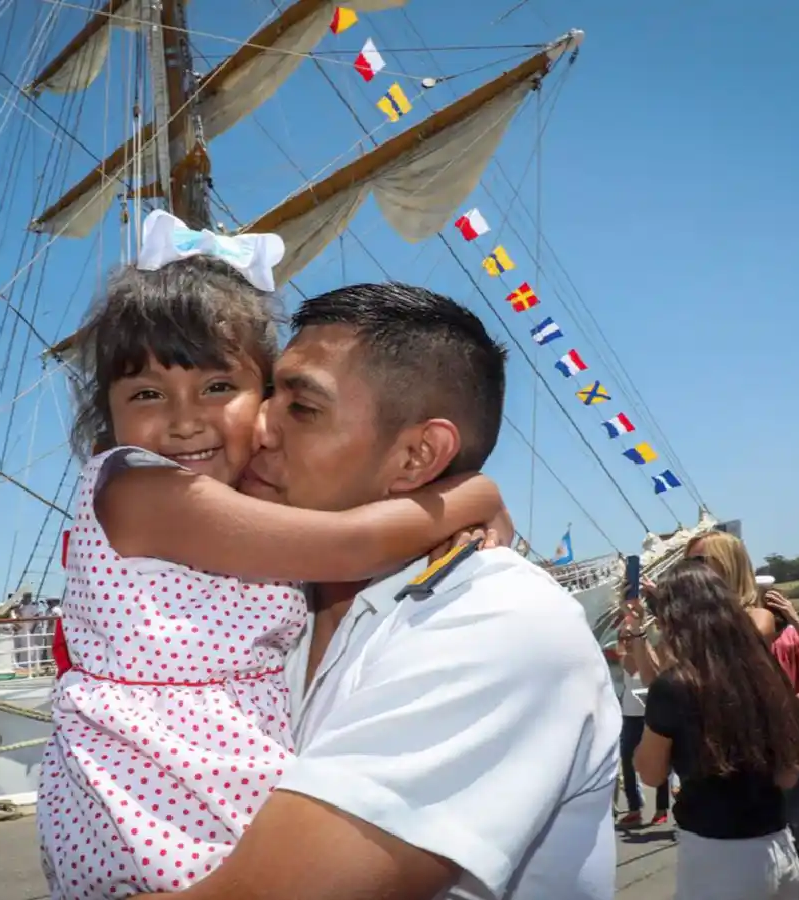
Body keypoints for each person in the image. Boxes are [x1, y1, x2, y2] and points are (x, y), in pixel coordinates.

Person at [38, 216, 514, 900]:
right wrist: (469, 493)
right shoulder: (140, 488)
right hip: (148, 781)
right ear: (106, 414)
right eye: (146, 394)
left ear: (264, 401)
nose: (182, 419)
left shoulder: (248, 510)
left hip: (219, 766)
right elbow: (352, 542)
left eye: (217, 388)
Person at [128, 281, 623, 900]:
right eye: (269, 393)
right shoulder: (258, 604)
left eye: (301, 408)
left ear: (416, 457)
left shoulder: (498, 621)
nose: (256, 426)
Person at [685, 530, 799, 900]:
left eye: (704, 562)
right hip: (783, 761)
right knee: (792, 859)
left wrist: (796, 621)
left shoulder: (773, 627)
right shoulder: (717, 637)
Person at [634, 560, 799, 899]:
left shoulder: (675, 685)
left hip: (717, 856)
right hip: (779, 846)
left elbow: (651, 774)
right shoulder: (763, 669)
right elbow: (789, 772)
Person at [615, 631, 670, 827]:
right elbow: (629, 666)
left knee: (660, 759)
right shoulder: (625, 657)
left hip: (649, 715)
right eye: (624, 638)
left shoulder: (649, 655)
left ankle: (661, 808)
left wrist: (644, 643)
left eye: (630, 638)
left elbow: (656, 673)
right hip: (629, 717)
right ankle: (634, 808)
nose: (627, 641)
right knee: (628, 763)